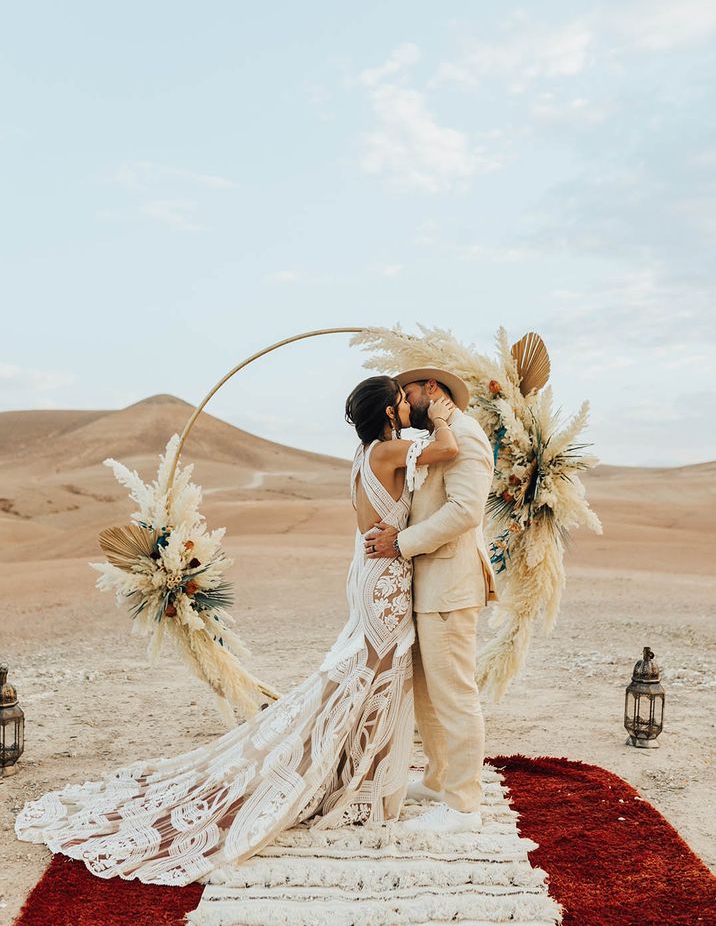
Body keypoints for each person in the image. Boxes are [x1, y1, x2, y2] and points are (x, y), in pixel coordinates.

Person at [15, 376, 460, 886]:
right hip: (384, 582)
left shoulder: (363, 457)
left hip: (371, 575)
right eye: (403, 399)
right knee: (374, 679)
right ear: (387, 412)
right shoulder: (388, 451)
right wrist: (442, 415)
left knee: (368, 677)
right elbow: (446, 448)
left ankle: (364, 780)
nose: (409, 404)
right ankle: (361, 787)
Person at [364, 367, 497, 833]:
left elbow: (465, 510)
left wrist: (399, 542)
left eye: (409, 392)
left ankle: (463, 807)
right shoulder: (439, 437)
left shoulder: (465, 435)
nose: (404, 401)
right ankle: (440, 780)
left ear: (432, 390)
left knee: (455, 694)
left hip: (449, 585)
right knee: (429, 695)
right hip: (427, 586)